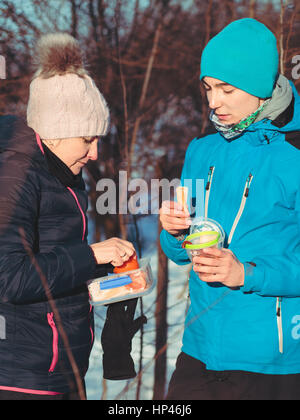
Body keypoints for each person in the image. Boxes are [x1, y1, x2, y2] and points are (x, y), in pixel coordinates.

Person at [160, 18, 300, 400]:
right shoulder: (201, 150)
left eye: (226, 89)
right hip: (200, 349)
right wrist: (174, 232)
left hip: (270, 358)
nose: (212, 102)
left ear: (259, 89)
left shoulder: (294, 156)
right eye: (208, 88)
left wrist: (246, 273)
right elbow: (181, 252)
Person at [0, 33, 138, 400]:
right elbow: (10, 277)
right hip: (21, 379)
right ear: (57, 132)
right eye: (87, 139)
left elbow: (54, 264)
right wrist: (92, 255)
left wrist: (110, 274)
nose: (94, 154)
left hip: (63, 371)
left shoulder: (62, 175)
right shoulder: (14, 178)